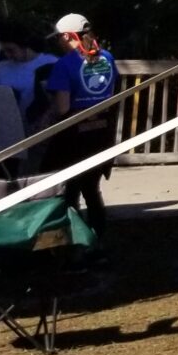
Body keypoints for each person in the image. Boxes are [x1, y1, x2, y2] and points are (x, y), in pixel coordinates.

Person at [44, 13, 119, 234]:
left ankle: (75, 243)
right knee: (92, 191)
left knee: (69, 194)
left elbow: (62, 108)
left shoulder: (64, 65)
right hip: (102, 134)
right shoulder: (107, 57)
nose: (57, 42)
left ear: (68, 36)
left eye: (59, 38)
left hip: (73, 137)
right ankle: (99, 242)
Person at [0, 20, 61, 125]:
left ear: (25, 45)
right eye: (4, 51)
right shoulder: (2, 68)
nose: (7, 55)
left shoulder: (51, 63)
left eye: (11, 50)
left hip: (42, 123)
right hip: (9, 124)